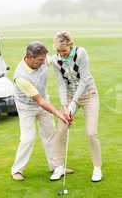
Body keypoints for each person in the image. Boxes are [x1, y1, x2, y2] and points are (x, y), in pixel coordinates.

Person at [11, 41, 71, 181]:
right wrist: (59, 114)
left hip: (43, 101)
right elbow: (40, 102)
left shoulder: (43, 60)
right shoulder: (21, 77)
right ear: (29, 57)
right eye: (40, 60)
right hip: (26, 107)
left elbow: (57, 58)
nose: (44, 62)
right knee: (28, 138)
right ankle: (17, 170)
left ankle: (56, 167)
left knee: (50, 134)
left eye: (44, 59)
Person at [50, 31, 102, 182]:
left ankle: (97, 168)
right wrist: (65, 105)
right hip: (69, 97)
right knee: (60, 130)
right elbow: (61, 84)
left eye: (64, 51)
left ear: (70, 45)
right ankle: (59, 167)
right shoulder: (55, 60)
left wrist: (73, 103)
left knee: (91, 133)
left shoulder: (81, 53)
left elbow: (84, 80)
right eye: (58, 51)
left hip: (88, 95)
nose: (62, 54)